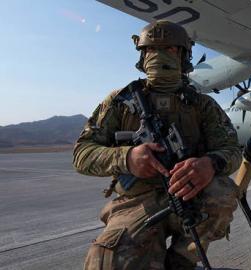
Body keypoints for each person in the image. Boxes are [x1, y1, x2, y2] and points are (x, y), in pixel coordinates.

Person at [73, 20, 241, 270]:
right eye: (152, 49)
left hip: (188, 194)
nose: (160, 56)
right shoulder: (121, 102)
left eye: (171, 49)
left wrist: (210, 163)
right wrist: (127, 157)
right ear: (143, 56)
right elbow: (82, 154)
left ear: (183, 56)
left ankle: (182, 262)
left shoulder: (202, 105)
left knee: (222, 192)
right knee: (107, 262)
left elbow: (232, 150)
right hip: (136, 200)